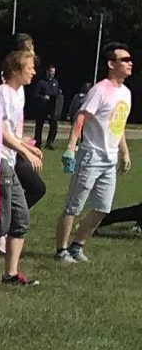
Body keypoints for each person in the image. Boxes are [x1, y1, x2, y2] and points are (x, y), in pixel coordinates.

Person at [54, 42, 133, 263]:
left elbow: (119, 125)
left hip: (109, 159)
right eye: (124, 60)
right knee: (74, 205)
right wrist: (71, 148)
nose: (129, 63)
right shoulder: (100, 90)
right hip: (91, 156)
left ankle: (77, 245)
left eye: (130, 60)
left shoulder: (126, 93)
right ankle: (61, 250)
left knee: (103, 208)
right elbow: (81, 117)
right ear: (111, 64)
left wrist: (124, 152)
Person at [0, 49, 42, 286]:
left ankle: (10, 275)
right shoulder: (3, 92)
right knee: (0, 224)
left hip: (9, 161)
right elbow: (0, 132)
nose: (34, 71)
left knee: (20, 218)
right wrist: (24, 151)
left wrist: (25, 145)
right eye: (30, 67)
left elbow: (10, 131)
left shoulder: (16, 94)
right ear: (15, 69)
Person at [31, 64, 63, 148]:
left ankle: (50, 143)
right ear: (47, 72)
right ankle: (37, 142)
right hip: (42, 107)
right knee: (39, 125)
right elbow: (35, 94)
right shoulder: (41, 82)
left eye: (53, 72)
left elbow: (56, 93)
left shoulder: (55, 82)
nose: (52, 73)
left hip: (52, 108)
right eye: (51, 71)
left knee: (54, 126)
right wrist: (43, 97)